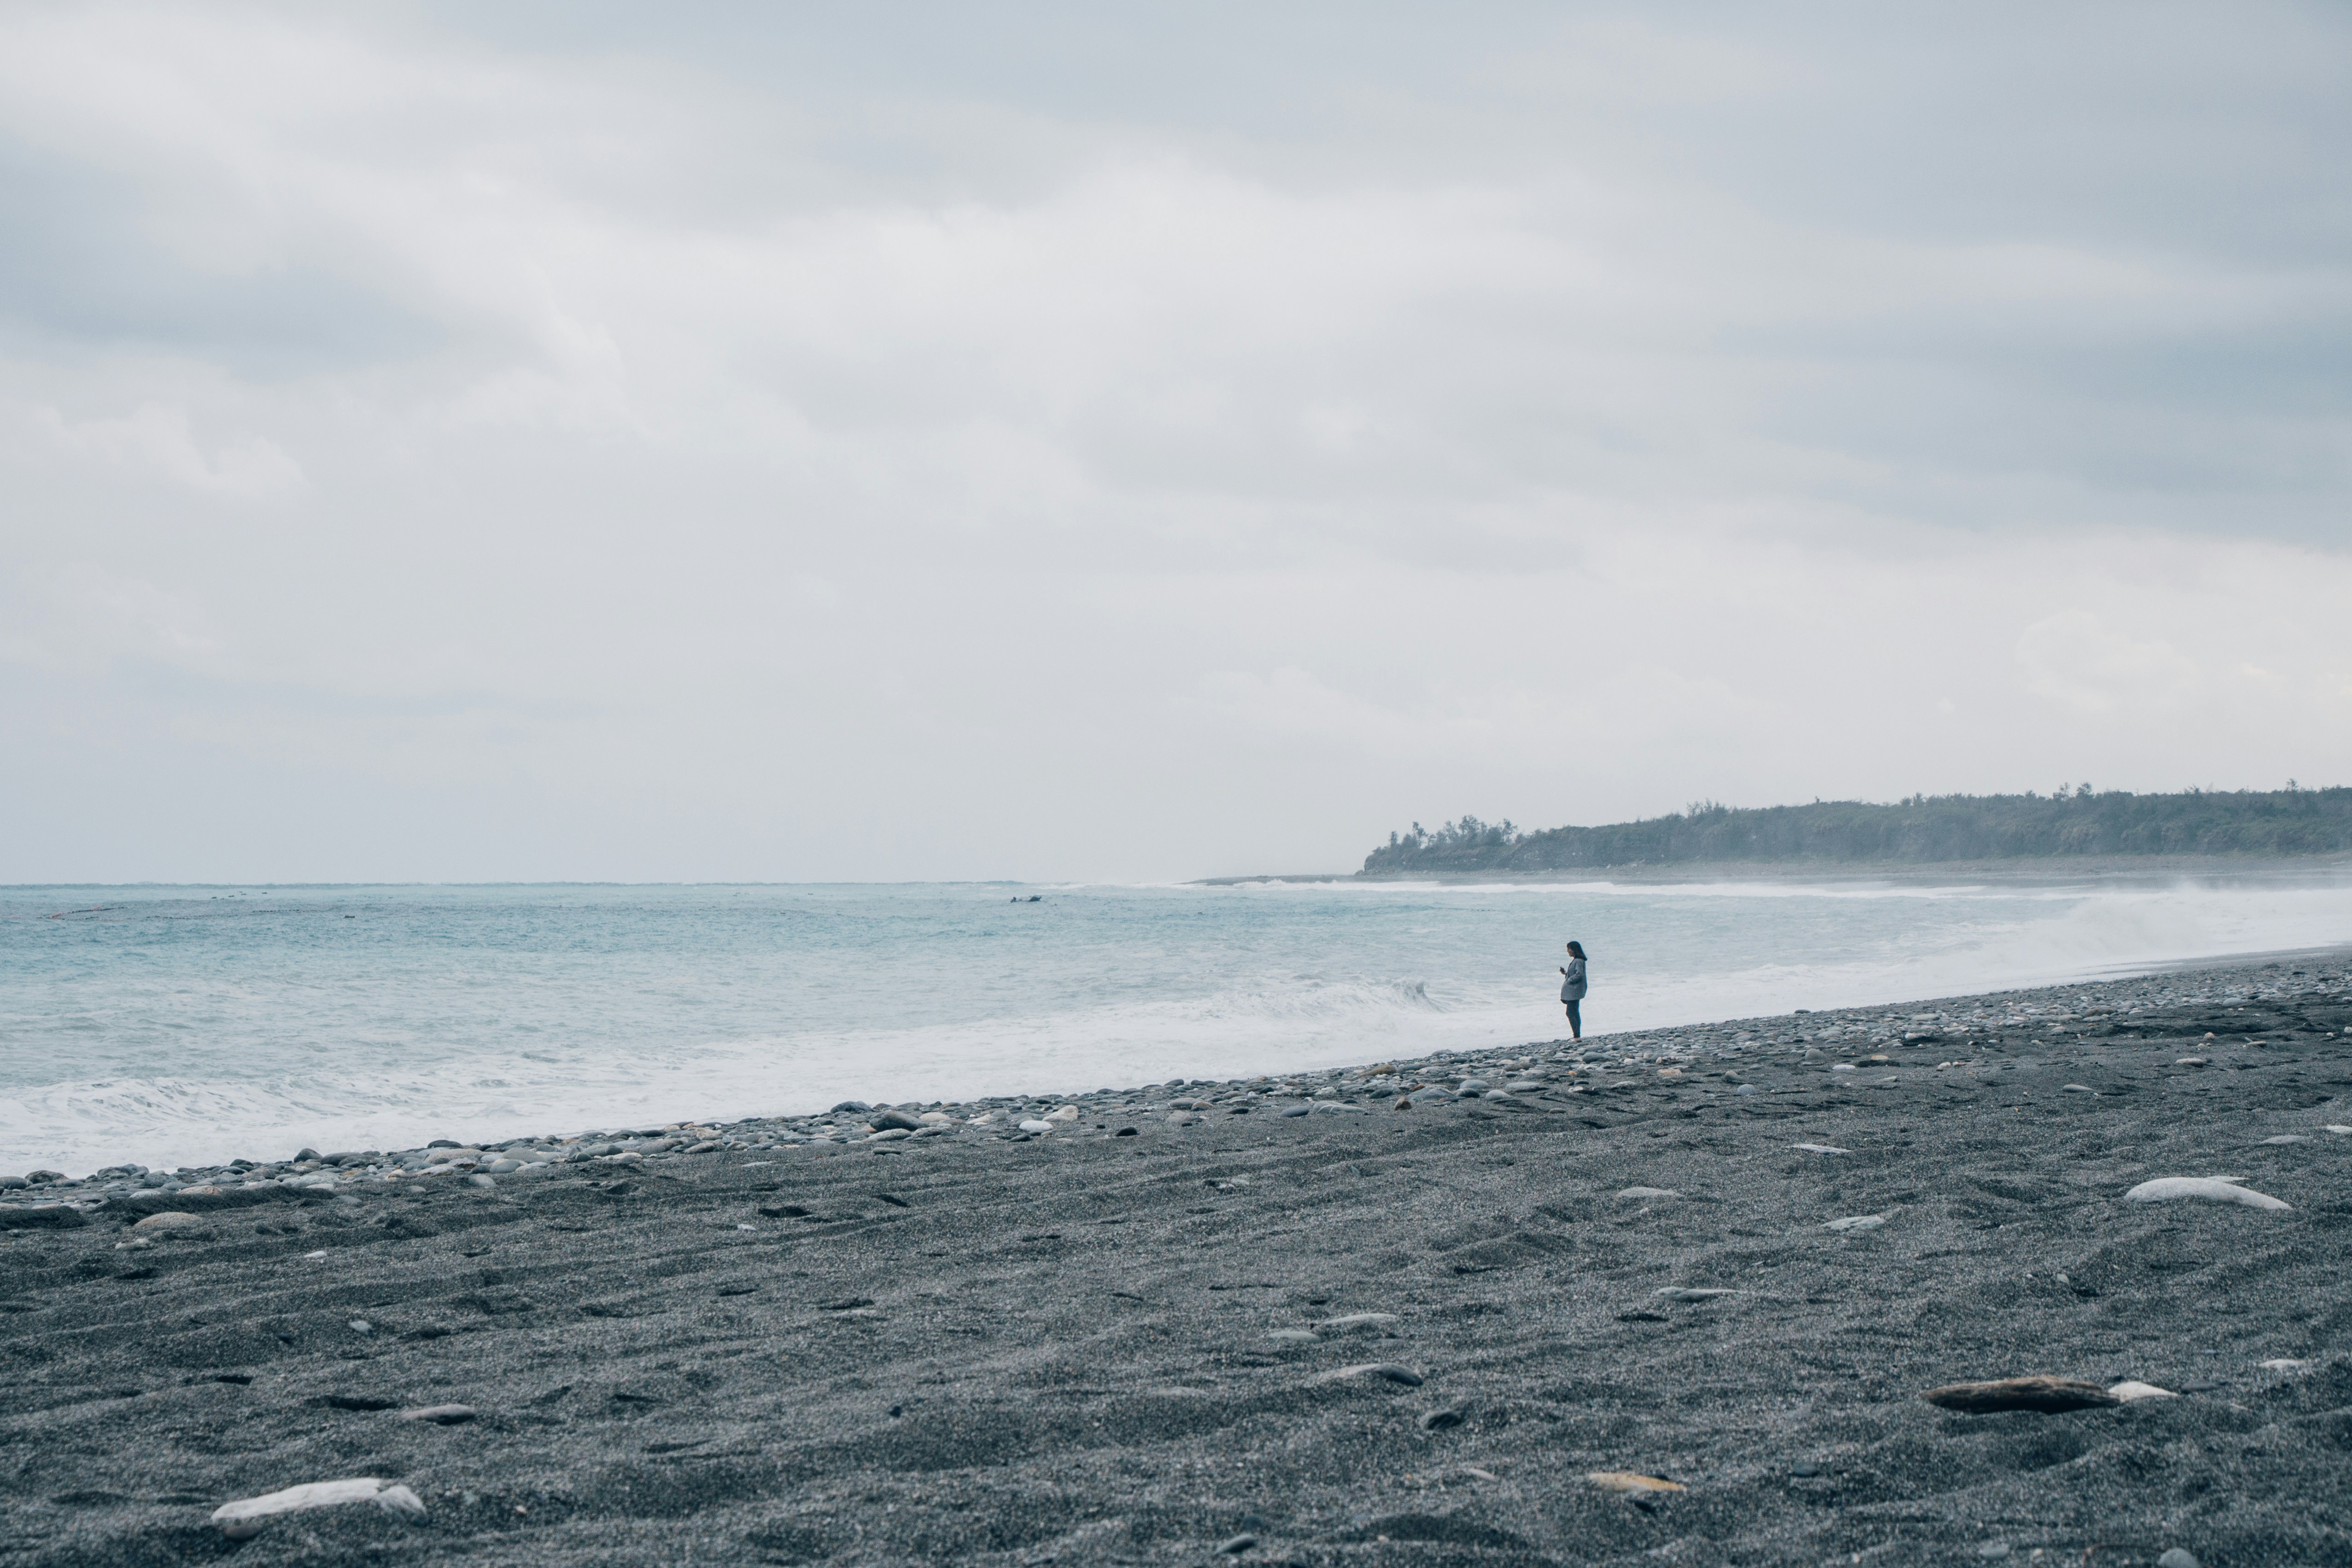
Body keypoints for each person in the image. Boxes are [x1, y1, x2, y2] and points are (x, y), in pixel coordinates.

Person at [1557, 941, 1588, 1040]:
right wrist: (1566, 974)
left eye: (1569, 949)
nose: (1568, 951)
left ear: (1574, 950)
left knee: (1571, 1013)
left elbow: (1579, 975)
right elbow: (1576, 974)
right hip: (1574, 992)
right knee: (1574, 1012)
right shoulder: (1578, 961)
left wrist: (1569, 981)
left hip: (1574, 992)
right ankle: (1577, 1036)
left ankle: (1577, 1036)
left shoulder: (1579, 961)